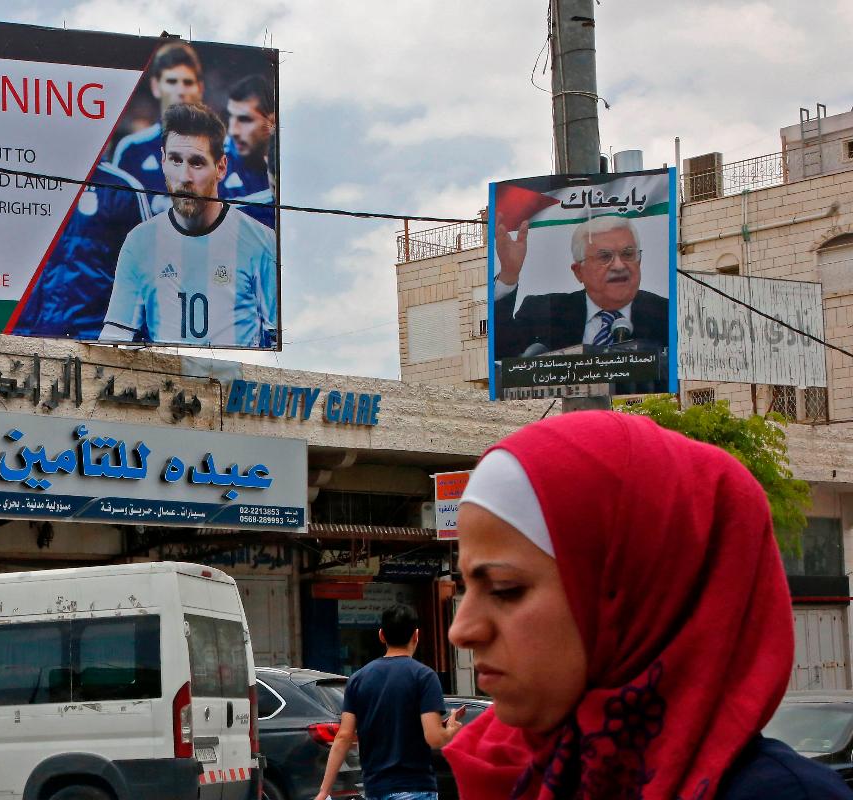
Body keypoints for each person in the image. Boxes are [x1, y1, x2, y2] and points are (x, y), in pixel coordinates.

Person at [442, 410, 852, 800]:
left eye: (504, 587)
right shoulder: (504, 768)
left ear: (639, 591)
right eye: (466, 584)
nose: (461, 630)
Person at [100, 103, 277, 348]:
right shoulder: (139, 242)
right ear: (162, 161)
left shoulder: (261, 241)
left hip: (232, 383)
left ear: (221, 167)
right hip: (166, 384)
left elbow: (278, 339)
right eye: (175, 160)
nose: (184, 177)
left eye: (197, 163)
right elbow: (116, 334)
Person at [314, 605, 462, 800]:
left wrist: (324, 792)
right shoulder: (424, 676)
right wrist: (451, 729)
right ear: (416, 636)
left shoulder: (358, 679)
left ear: (381, 636)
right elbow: (434, 737)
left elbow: (343, 737)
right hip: (415, 787)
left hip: (375, 789)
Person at [10, 161, 151, 339]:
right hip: (23, 335)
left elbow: (148, 276)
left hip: (92, 339)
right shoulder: (15, 178)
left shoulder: (123, 189)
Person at [492, 215, 668, 358]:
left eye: (628, 254)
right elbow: (503, 353)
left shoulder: (665, 313)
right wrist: (509, 273)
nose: (619, 266)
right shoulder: (546, 312)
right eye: (604, 257)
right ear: (579, 272)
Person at [112, 42, 205, 215]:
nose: (180, 90)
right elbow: (115, 214)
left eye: (187, 82)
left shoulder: (223, 148)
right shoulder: (131, 149)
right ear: (156, 86)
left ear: (200, 88)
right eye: (171, 81)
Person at [221, 74, 276, 202]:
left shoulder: (291, 168)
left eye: (244, 119)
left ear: (272, 122)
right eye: (230, 116)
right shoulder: (216, 164)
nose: (233, 131)